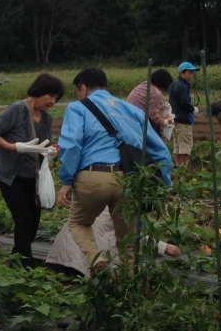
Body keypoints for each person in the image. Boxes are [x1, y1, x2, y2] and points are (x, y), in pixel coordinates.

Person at [56, 68, 173, 272]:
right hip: (128, 179)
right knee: (128, 240)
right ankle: (126, 287)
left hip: (93, 177)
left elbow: (72, 145)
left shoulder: (78, 108)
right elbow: (161, 151)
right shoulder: (133, 110)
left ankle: (96, 260)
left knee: (78, 224)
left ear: (83, 89)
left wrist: (67, 180)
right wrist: (164, 186)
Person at [0, 73, 65, 266]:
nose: (53, 101)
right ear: (38, 92)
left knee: (34, 222)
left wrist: (52, 151)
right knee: (23, 220)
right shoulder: (17, 110)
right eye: (51, 96)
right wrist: (14, 147)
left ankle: (17, 258)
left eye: (56, 98)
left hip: (34, 176)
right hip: (11, 176)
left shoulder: (46, 119)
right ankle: (25, 264)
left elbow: (47, 143)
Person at [44, 209, 181, 278]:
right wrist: (164, 247)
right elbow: (132, 235)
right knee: (124, 250)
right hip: (78, 257)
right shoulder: (123, 209)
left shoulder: (102, 199)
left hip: (60, 253)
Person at [168, 62, 198, 166]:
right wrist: (192, 109)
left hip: (175, 119)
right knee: (185, 145)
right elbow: (184, 103)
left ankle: (178, 167)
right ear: (182, 73)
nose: (191, 75)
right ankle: (184, 169)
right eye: (189, 72)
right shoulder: (183, 86)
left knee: (178, 145)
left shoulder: (174, 84)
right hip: (183, 119)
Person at [126, 69, 174, 134]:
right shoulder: (156, 93)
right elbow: (153, 115)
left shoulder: (144, 85)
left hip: (127, 116)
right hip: (137, 120)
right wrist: (165, 122)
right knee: (155, 130)